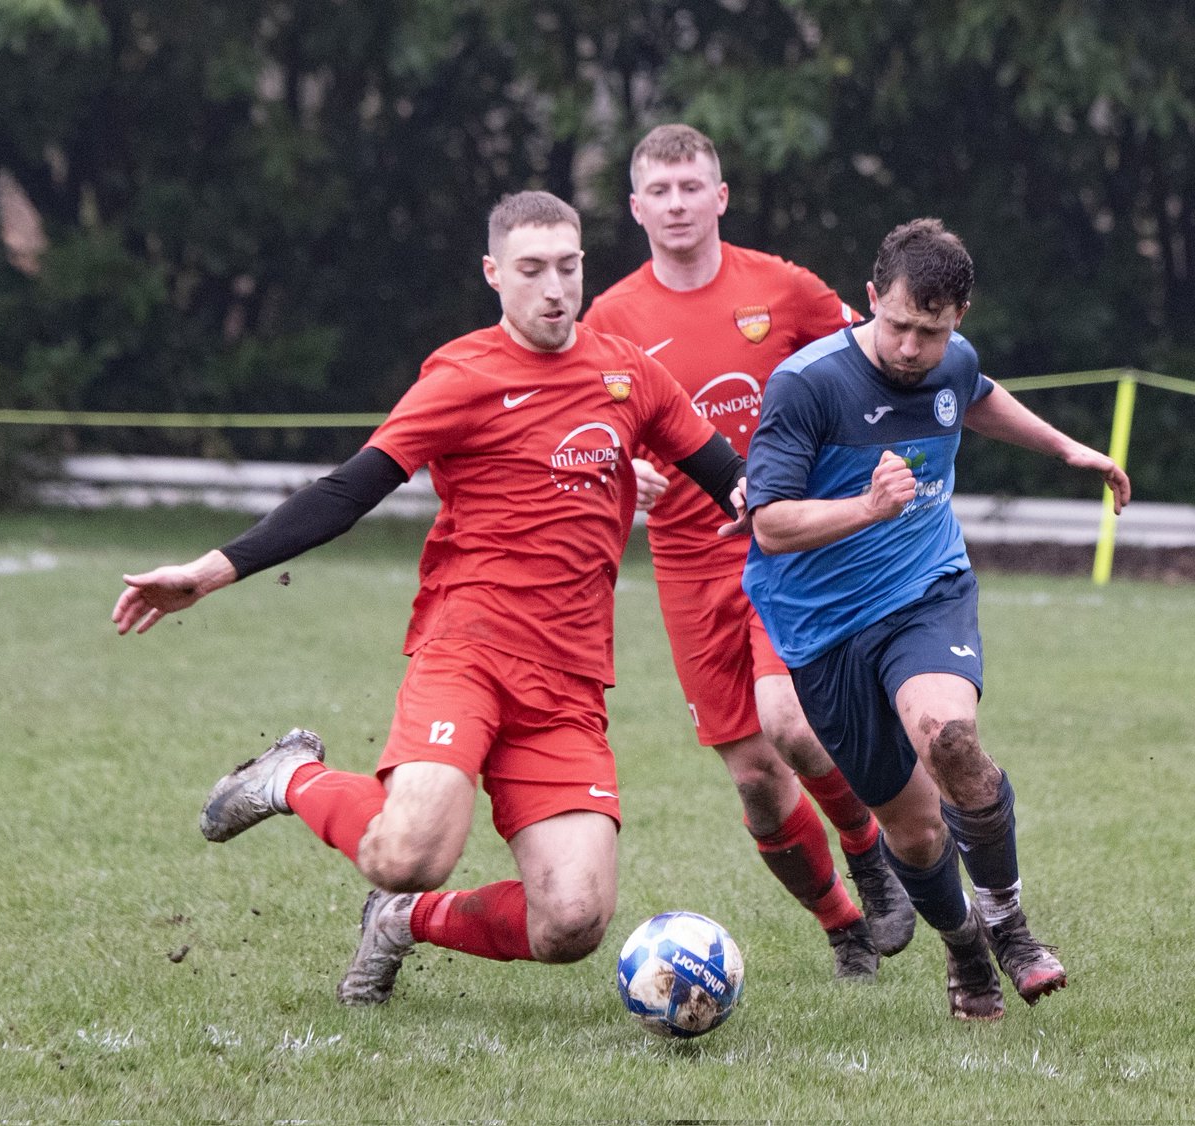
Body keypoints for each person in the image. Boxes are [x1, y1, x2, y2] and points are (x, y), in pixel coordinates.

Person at [113, 190, 750, 1006]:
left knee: (573, 921)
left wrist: (792, 506)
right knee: (409, 853)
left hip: (569, 681)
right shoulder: (463, 375)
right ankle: (290, 777)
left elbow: (729, 477)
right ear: (493, 273)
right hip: (468, 649)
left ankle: (402, 922)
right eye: (531, 269)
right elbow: (349, 491)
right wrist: (210, 571)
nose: (555, 288)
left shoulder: (629, 374)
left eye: (568, 266)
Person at [742, 217, 1131, 1020]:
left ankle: (1010, 926)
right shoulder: (807, 385)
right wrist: (866, 507)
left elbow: (975, 396)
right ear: (869, 298)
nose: (912, 349)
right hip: (823, 630)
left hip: (926, 589)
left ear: (959, 319)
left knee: (948, 736)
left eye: (932, 331)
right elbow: (770, 524)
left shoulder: (952, 359)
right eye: (897, 326)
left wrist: (1068, 450)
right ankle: (964, 946)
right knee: (915, 834)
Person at [583, 124, 915, 980]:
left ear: (721, 196)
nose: (677, 204)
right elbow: (588, 433)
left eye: (692, 186)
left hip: (787, 551)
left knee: (790, 722)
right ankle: (844, 928)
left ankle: (869, 854)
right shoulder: (610, 320)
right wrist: (625, 473)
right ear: (635, 208)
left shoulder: (783, 288)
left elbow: (868, 364)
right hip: (688, 567)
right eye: (660, 192)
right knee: (759, 783)